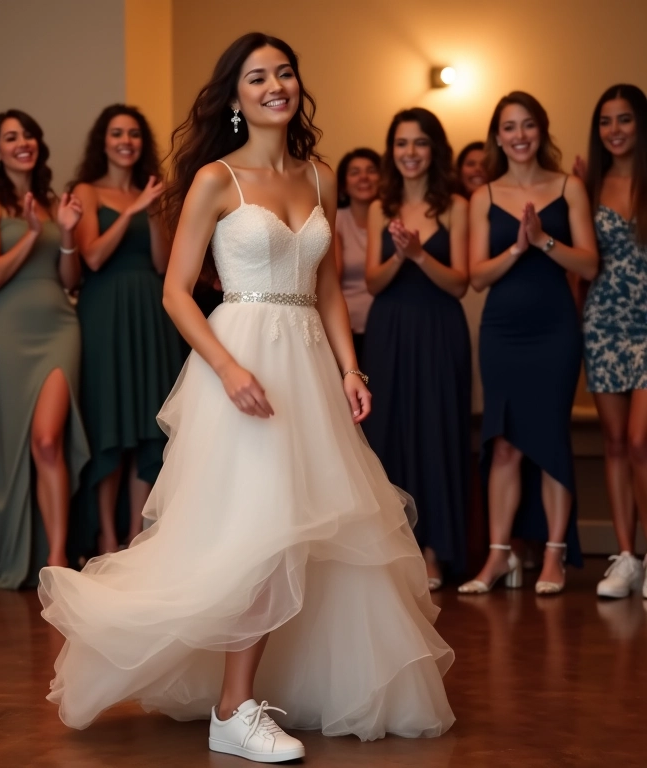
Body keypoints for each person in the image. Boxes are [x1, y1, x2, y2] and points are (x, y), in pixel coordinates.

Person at [39, 32, 454, 763]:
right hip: (242, 359)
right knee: (260, 530)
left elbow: (325, 287)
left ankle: (265, 692)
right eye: (258, 76)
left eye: (285, 73)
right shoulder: (214, 180)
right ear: (235, 97)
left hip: (308, 366)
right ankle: (232, 708)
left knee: (309, 529)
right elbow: (176, 293)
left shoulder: (320, 177)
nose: (275, 86)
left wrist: (351, 370)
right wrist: (229, 369)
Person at [459, 91, 598, 596]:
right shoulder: (483, 196)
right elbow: (476, 276)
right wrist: (517, 247)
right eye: (509, 127)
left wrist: (543, 241)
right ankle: (498, 557)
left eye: (528, 126)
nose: (519, 136)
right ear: (498, 136)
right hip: (502, 331)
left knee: (552, 441)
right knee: (504, 447)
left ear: (541, 131)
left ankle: (555, 557)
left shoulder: (570, 188)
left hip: (556, 329)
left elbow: (588, 264)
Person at [0, 109, 89, 589]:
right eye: (10, 137)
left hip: (60, 325)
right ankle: (23, 548)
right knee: (23, 442)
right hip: (10, 332)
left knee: (48, 439)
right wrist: (34, 236)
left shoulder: (52, 200)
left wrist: (63, 234)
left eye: (28, 135)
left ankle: (57, 557)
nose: (23, 143)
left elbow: (71, 279)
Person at [363, 108, 471, 590]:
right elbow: (373, 281)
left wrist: (420, 255)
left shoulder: (456, 205)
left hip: (439, 327)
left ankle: (435, 551)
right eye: (402, 143)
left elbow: (460, 284)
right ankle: (394, 547)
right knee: (389, 432)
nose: (409, 153)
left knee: (436, 430)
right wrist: (398, 255)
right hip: (390, 328)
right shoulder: (378, 207)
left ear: (435, 150)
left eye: (419, 143)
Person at [70, 105, 184, 555]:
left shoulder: (153, 193)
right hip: (103, 314)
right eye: (117, 133)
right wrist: (130, 209)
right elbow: (92, 257)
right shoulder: (87, 190)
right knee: (110, 422)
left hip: (148, 314)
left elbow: (161, 263)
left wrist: (152, 210)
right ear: (104, 140)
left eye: (134, 134)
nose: (126, 141)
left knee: (145, 426)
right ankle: (105, 535)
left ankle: (139, 535)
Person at [582, 84, 647, 599]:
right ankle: (627, 559)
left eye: (624, 119)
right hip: (603, 323)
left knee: (643, 443)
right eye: (606, 121)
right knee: (615, 443)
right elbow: (582, 266)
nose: (615, 130)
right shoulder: (589, 186)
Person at [335, 148, 380, 360]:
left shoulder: (395, 219)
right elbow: (330, 282)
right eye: (355, 172)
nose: (364, 177)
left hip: (391, 325)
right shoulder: (336, 221)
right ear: (343, 184)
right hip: (350, 329)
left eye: (371, 170)